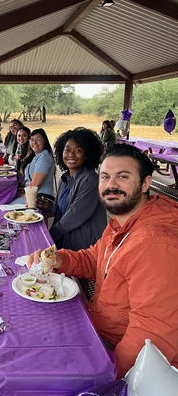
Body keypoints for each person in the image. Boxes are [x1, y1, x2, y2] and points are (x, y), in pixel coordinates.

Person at [28, 144, 178, 378]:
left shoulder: (154, 243)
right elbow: (95, 259)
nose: (111, 185)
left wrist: (106, 378)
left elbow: (150, 337)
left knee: (36, 365)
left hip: (121, 355)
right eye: (105, 177)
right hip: (100, 324)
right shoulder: (123, 223)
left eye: (123, 176)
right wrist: (59, 259)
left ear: (146, 183)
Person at [39, 128, 106, 250]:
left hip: (82, 247)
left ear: (87, 154)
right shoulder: (65, 179)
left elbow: (75, 214)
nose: (71, 154)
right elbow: (62, 209)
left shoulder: (91, 179)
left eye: (78, 150)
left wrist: (48, 235)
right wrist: (46, 205)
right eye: (67, 149)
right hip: (64, 241)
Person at [24, 128, 55, 199]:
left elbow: (35, 185)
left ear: (44, 141)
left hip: (40, 197)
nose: (34, 142)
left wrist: (25, 195)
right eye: (32, 139)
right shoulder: (37, 156)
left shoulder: (44, 158)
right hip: (33, 194)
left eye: (38, 139)